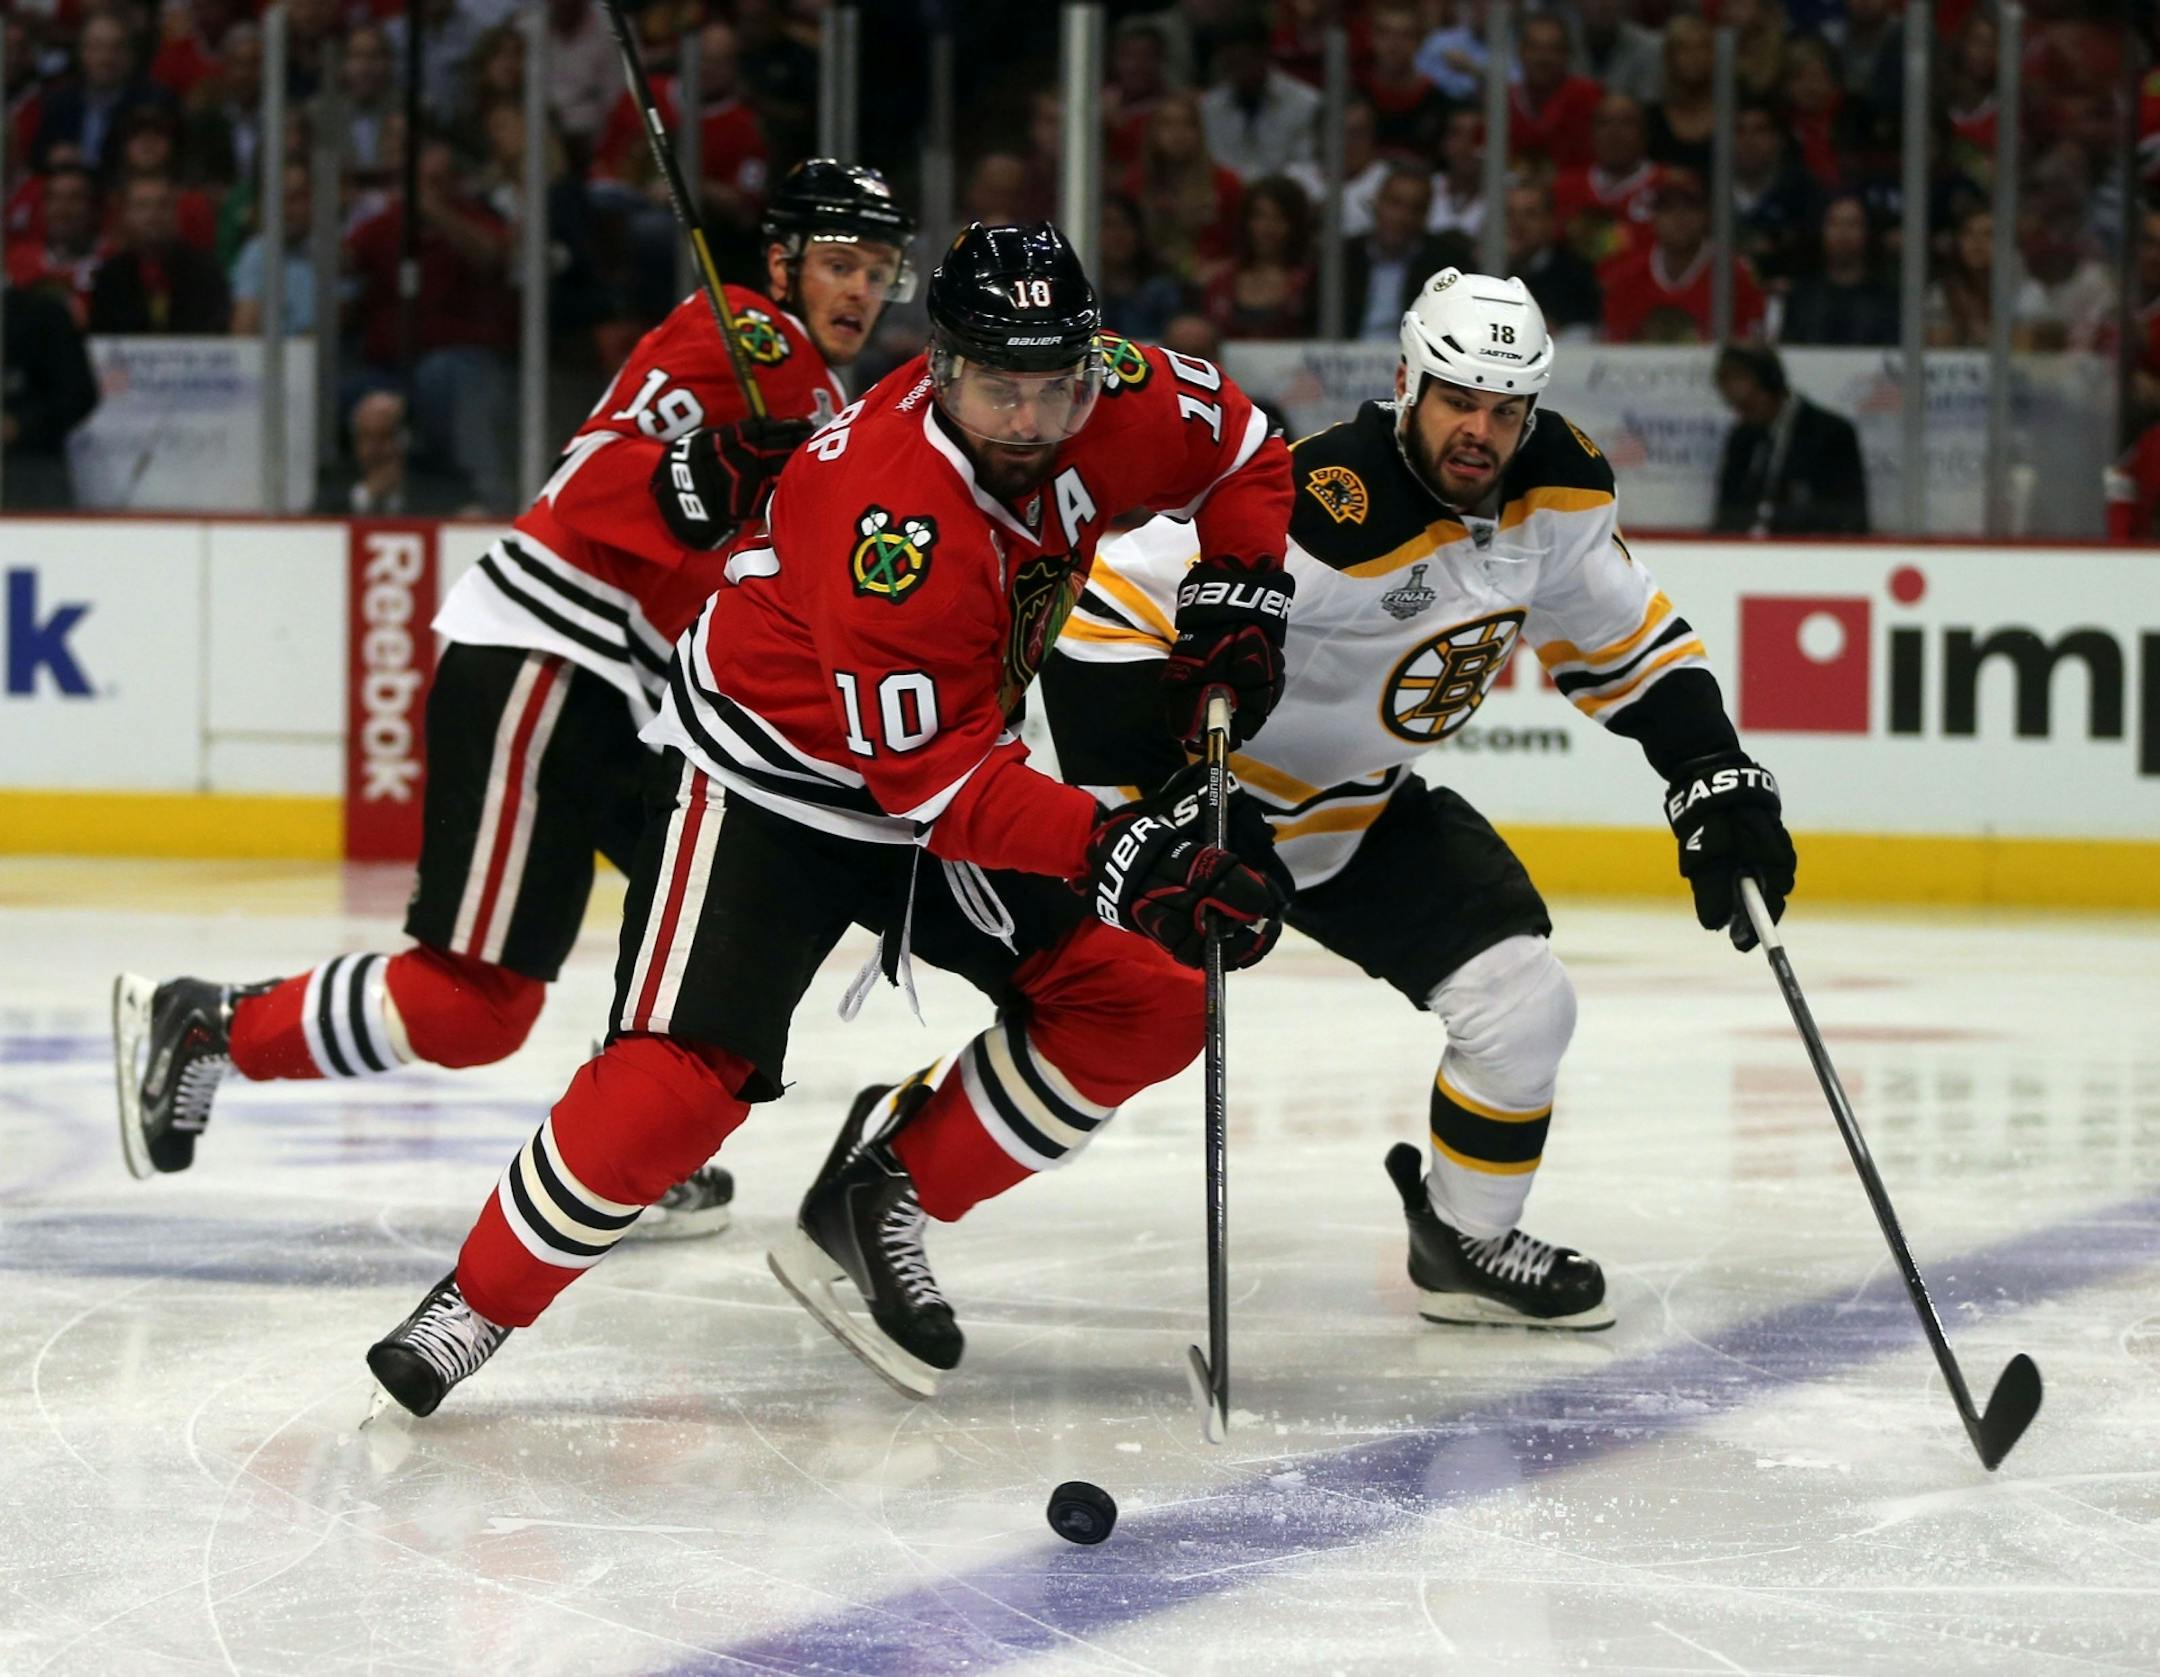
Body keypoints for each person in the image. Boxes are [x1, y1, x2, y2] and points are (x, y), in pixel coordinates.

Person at [358, 222, 1298, 1416]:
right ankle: (477, 1301)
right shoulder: (886, 514)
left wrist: (1241, 592)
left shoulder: (1117, 395)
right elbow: (938, 787)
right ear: (942, 366)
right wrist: (1121, 853)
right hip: (769, 781)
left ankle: (877, 1196)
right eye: (993, 389)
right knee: (672, 1093)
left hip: (950, 769)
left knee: (1149, 1001)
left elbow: (1249, 451)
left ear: (1093, 361)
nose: (1024, 420)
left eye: (1051, 389)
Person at [832, 267, 1799, 1359]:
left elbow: (1624, 637)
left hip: (1353, 816)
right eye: (1456, 400)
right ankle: (890, 1177)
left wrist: (1710, 766)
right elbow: (1106, 610)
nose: (1479, 432)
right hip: (1189, 814)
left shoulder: (1559, 496)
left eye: (1505, 409)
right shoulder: (1324, 504)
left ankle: (1465, 1244)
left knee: (1523, 1001)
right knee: (1129, 1018)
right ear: (1405, 384)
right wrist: (1159, 803)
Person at [111, 162, 919, 1247]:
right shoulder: (746, 333)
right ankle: (208, 1025)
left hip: (642, 708)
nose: (860, 291)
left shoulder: (829, 403)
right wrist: (696, 478)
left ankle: (619, 1138)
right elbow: (586, 476)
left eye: (876, 270)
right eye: (837, 264)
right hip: (557, 661)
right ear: (781, 264)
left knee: (727, 909)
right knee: (470, 1008)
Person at [1712, 343, 1868, 536]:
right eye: (1735, 407)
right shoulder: (1742, 438)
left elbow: (1848, 516)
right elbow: (1726, 513)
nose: (1742, 416)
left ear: (1772, 388)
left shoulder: (1831, 434)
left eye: (1748, 405)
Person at [1599, 171, 1765, 344]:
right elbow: (1615, 346)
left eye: (1690, 206)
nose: (1679, 218)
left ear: (1707, 215)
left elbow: (1750, 346)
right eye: (1667, 208)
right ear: (1653, 217)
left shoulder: (1735, 273)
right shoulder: (1625, 277)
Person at [87, 170, 231, 333]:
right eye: (142, 206)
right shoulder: (109, 276)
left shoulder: (206, 272)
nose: (153, 215)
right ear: (126, 215)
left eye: (163, 205)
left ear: (176, 213)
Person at [1341, 164, 1472, 339]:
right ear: (1377, 203)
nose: (1402, 217)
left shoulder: (1445, 266)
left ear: (1426, 215)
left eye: (1415, 208)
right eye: (1395, 203)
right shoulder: (1342, 258)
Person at [1, 278, 100, 510]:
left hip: (29, 468)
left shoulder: (42, 314)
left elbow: (78, 393)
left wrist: (19, 424)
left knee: (38, 543)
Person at [314, 390, 473, 516]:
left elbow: (465, 508)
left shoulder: (435, 481)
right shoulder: (334, 481)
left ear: (405, 438)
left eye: (384, 437)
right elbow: (312, 527)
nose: (373, 449)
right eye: (365, 437)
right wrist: (367, 495)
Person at [1199, 14, 1320, 181]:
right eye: (1229, 63)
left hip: (1286, 198)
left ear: (1264, 55)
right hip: (1229, 199)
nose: (1236, 72)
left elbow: (1306, 168)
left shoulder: (1306, 103)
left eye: (1242, 61)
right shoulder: (1210, 106)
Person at [1553, 95, 1664, 267]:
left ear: (1645, 132)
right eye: (1604, 123)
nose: (1614, 133)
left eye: (1626, 123)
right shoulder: (1562, 188)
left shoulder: (1669, 186)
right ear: (1591, 132)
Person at [1202, 173, 1315, 340]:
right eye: (1259, 216)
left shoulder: (1311, 283)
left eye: (1278, 218)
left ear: (1295, 224)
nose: (1267, 228)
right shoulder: (1222, 281)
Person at [1778, 193, 1897, 346]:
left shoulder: (1887, 298)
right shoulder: (1801, 295)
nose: (1843, 232)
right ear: (1821, 230)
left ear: (1867, 232)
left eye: (1852, 224)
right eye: (1834, 223)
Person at [1506, 180, 1601, 338]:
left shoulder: (1576, 277)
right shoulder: (1481, 269)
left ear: (1550, 222)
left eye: (1530, 214)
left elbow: (1582, 336)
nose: (1517, 224)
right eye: (1509, 214)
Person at [1508, 12, 1600, 173]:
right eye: (1534, 48)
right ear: (1520, 52)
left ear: (1567, 54)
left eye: (1553, 49)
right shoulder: (1504, 101)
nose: (1542, 57)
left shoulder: (1588, 96)